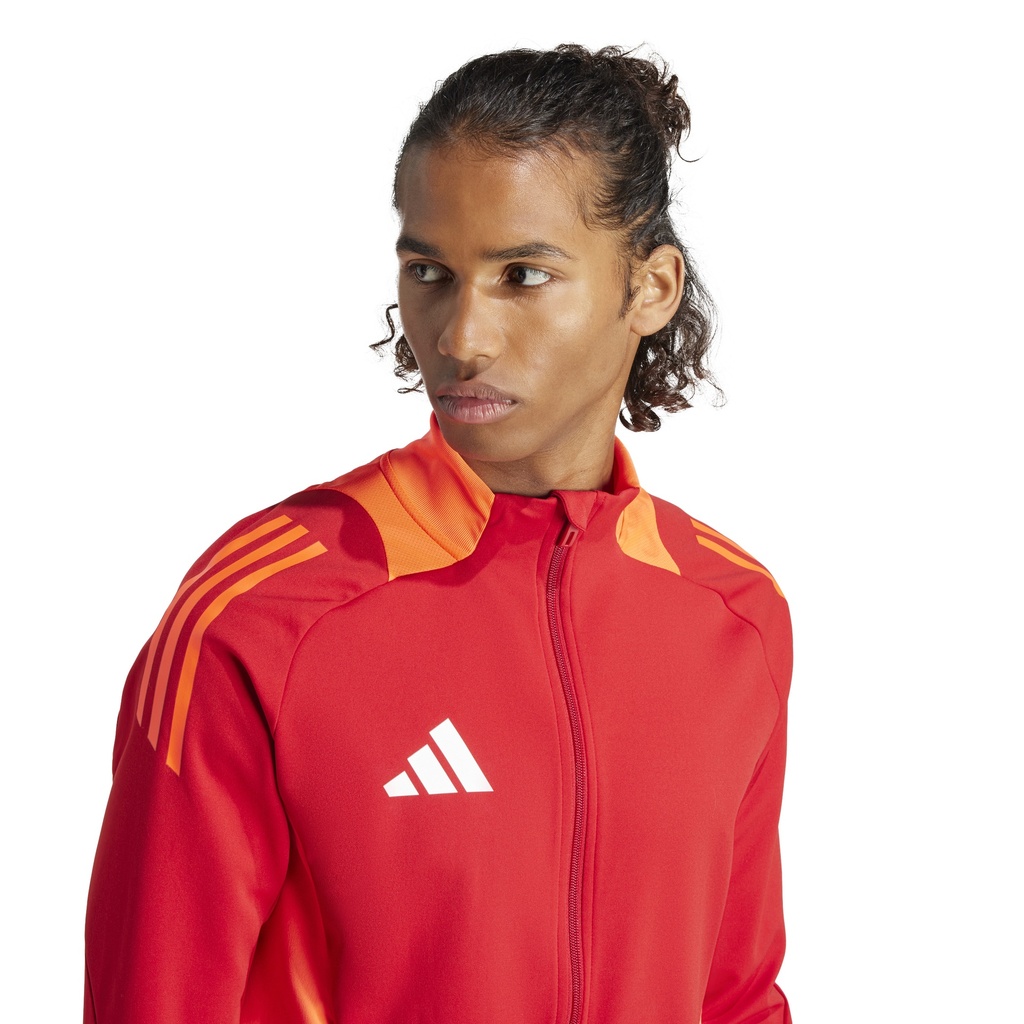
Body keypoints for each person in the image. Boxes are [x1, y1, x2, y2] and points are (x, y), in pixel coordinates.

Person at [85, 44, 793, 1023]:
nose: (461, 337)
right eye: (430, 272)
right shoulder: (266, 616)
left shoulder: (732, 615)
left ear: (652, 289)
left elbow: (735, 997)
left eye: (522, 275)